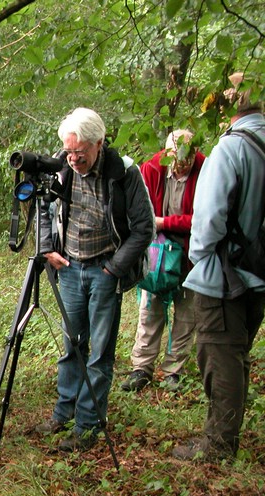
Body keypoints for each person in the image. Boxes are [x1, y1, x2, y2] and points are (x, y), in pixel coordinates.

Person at [37, 107, 154, 452]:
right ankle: (64, 412)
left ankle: (87, 427)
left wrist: (114, 268)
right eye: (69, 151)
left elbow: (143, 228)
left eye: (80, 152)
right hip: (69, 267)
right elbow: (43, 210)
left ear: (99, 143)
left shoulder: (124, 173)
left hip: (105, 270)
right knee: (72, 344)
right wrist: (47, 247)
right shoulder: (61, 166)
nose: (73, 159)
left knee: (99, 353)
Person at [173, 74, 265, 461]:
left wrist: (198, 257)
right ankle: (222, 437)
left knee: (219, 355)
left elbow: (207, 220)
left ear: (229, 104)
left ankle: (218, 446)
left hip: (224, 275)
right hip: (258, 271)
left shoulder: (230, 149)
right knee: (237, 354)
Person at [121, 130, 205, 393]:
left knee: (186, 312)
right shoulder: (152, 169)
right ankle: (141, 368)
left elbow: (202, 218)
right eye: (176, 158)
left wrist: (165, 223)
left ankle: (174, 371)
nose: (182, 164)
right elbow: (139, 211)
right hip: (155, 251)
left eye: (187, 158)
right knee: (150, 309)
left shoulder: (205, 168)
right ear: (167, 153)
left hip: (190, 252)